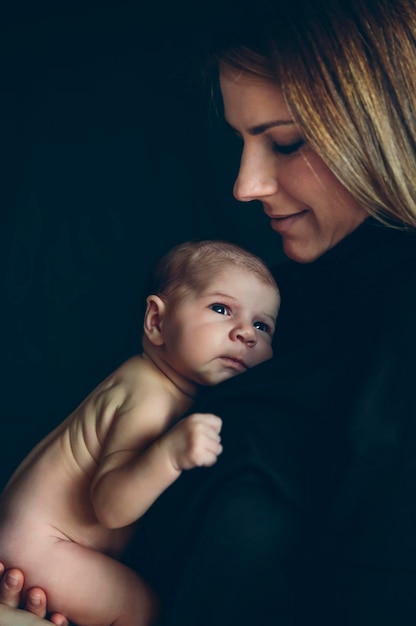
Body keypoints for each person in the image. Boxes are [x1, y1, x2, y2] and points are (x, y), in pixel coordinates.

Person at [2, 0, 416, 623]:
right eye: (242, 141)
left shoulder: (384, 340)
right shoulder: (280, 297)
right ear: (156, 319)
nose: (245, 186)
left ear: (380, 128)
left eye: (285, 141)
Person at [0, 238, 280, 626]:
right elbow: (111, 507)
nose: (246, 334)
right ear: (157, 321)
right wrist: (169, 454)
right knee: (141, 610)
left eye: (262, 325)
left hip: (34, 539)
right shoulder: (150, 395)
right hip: (45, 546)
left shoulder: (148, 380)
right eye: (221, 308)